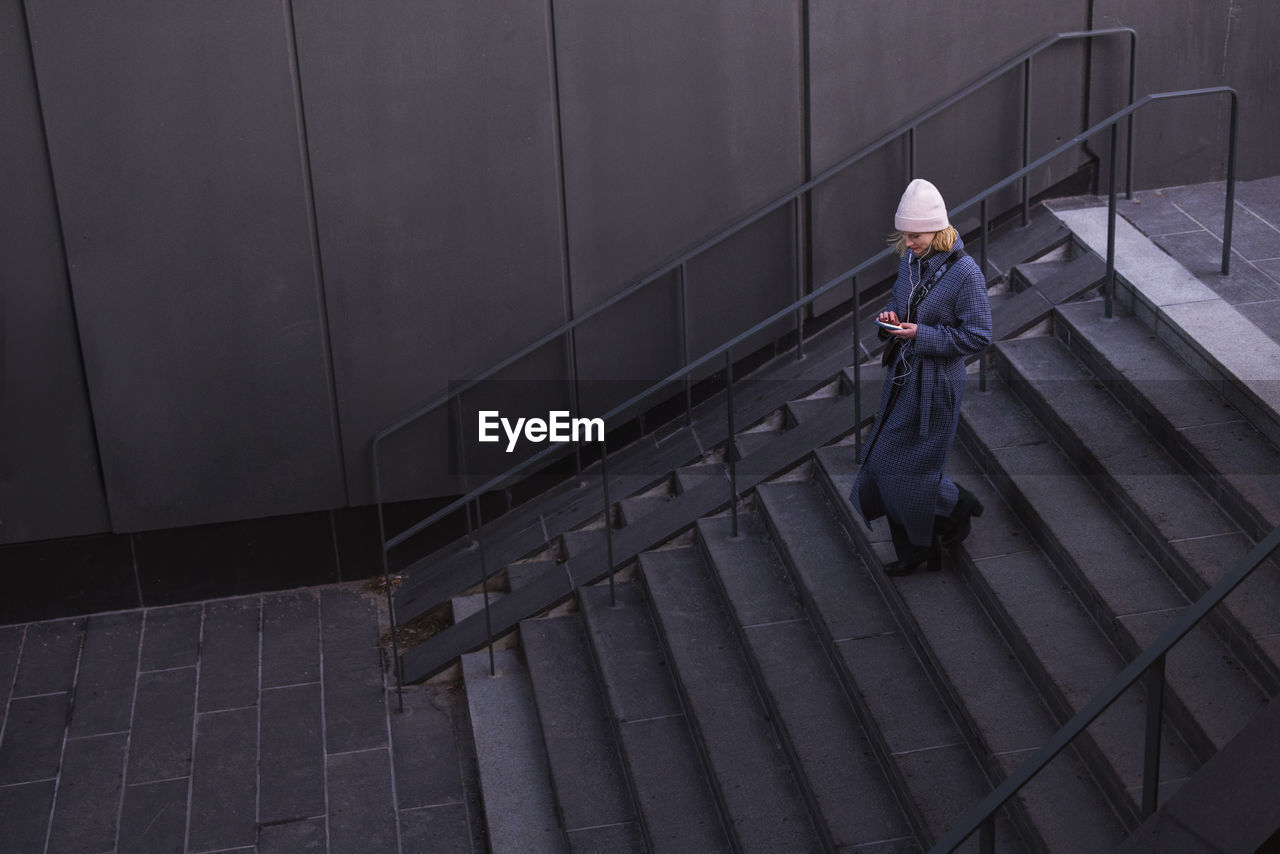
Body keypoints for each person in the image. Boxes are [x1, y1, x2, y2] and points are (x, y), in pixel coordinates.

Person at [849, 178, 992, 575]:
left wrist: (922, 334)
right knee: (889, 466)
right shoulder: (910, 260)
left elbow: (980, 334)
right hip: (905, 378)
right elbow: (899, 305)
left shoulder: (966, 274)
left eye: (914, 234)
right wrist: (890, 320)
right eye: (905, 235)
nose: (907, 242)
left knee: (904, 470)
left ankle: (952, 510)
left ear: (936, 228)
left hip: (937, 386)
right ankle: (930, 537)